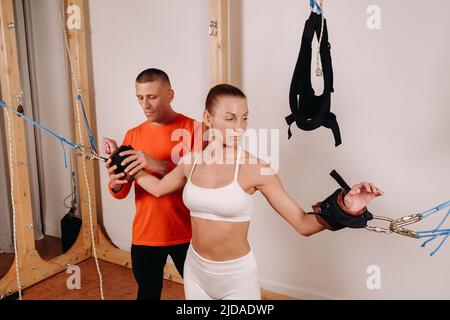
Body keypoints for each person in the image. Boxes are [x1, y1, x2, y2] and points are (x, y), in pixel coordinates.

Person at [117, 84, 384, 300]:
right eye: (230, 119)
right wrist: (129, 164)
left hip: (236, 277)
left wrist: (346, 206)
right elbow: (158, 188)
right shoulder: (191, 160)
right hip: (195, 270)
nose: (239, 128)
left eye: (244, 118)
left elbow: (302, 224)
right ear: (208, 119)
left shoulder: (257, 169)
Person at [104, 68, 202, 300]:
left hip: (187, 232)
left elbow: (200, 179)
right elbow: (121, 191)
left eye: (152, 97)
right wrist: (116, 183)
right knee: (147, 294)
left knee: (201, 295)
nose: (145, 104)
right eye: (140, 97)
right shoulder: (133, 135)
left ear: (170, 95)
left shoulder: (195, 129)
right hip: (146, 233)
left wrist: (158, 163)